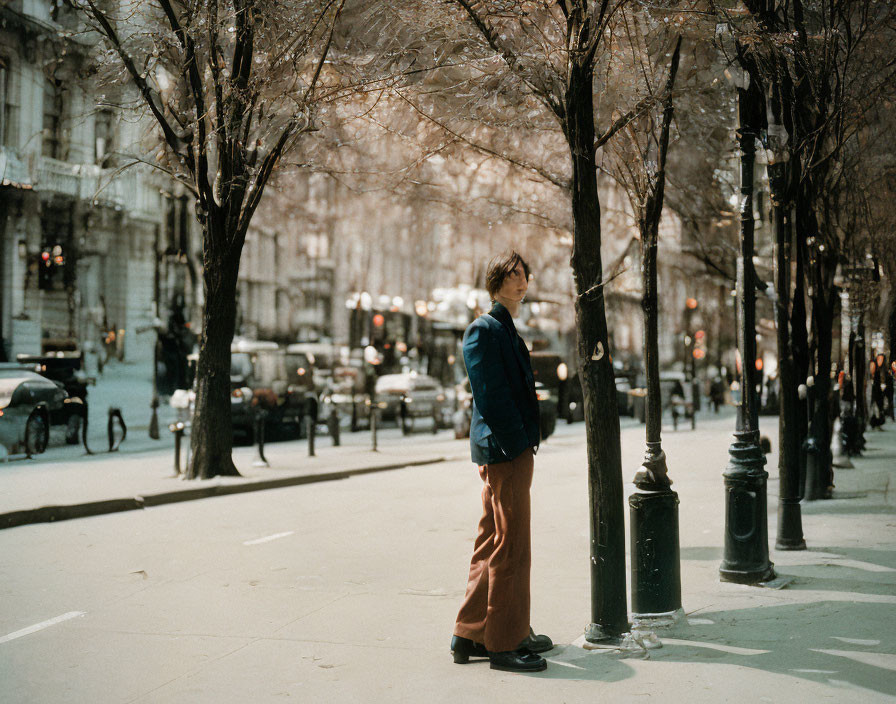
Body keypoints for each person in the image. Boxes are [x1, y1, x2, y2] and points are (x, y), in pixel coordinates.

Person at [451, 250, 552, 673]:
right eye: (511, 275)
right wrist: (518, 444)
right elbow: (490, 398)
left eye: (523, 274)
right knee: (512, 545)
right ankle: (504, 642)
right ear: (494, 282)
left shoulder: (505, 329)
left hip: (509, 450)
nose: (520, 280)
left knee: (492, 539)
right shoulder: (483, 329)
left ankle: (469, 632)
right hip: (504, 452)